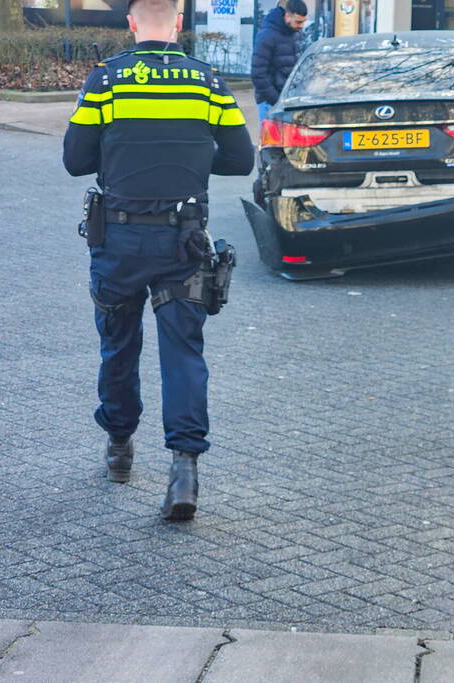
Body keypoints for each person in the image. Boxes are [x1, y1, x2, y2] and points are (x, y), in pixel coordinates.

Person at [62, 0, 254, 521]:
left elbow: (75, 160)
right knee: (184, 354)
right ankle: (184, 472)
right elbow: (241, 159)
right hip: (184, 243)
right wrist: (190, 152)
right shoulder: (208, 83)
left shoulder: (106, 81)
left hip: (119, 243)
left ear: (130, 23)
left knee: (118, 346)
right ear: (177, 23)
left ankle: (120, 446)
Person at [250, 0, 308, 122]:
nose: (301, 26)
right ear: (287, 16)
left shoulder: (294, 33)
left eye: (303, 22)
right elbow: (258, 74)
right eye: (298, 22)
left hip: (288, 100)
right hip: (270, 103)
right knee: (272, 141)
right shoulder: (267, 36)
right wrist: (276, 100)